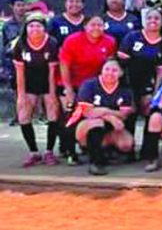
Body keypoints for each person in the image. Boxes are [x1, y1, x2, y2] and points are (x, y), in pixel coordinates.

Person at [117, 7, 162, 160]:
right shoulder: (132, 37)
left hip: (149, 83)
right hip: (129, 81)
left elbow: (161, 71)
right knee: (130, 112)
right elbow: (121, 62)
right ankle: (127, 150)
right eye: (149, 18)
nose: (152, 21)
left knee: (149, 109)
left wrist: (156, 91)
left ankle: (147, 150)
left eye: (156, 18)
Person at [60, 15, 117, 164]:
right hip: (74, 84)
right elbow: (64, 65)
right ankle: (69, 151)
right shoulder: (72, 40)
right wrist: (68, 89)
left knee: (96, 118)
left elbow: (111, 65)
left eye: (100, 25)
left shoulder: (109, 41)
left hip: (97, 87)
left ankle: (97, 148)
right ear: (85, 26)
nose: (96, 28)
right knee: (72, 117)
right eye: (92, 25)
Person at [11, 14, 60, 166]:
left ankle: (49, 152)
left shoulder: (51, 43)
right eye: (31, 26)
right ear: (26, 28)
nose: (35, 29)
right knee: (23, 115)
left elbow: (52, 71)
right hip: (29, 83)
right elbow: (19, 71)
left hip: (47, 81)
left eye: (38, 25)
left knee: (53, 113)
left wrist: (52, 94)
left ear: (44, 28)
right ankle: (33, 152)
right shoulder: (20, 44)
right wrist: (21, 95)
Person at [72, 59, 135, 175]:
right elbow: (87, 112)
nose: (110, 73)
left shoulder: (125, 90)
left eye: (114, 70)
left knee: (126, 144)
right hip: (85, 126)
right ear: (101, 70)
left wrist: (101, 111)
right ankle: (95, 162)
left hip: (110, 127)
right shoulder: (89, 85)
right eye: (107, 69)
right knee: (97, 122)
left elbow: (124, 114)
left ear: (121, 73)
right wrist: (110, 115)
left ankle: (105, 151)